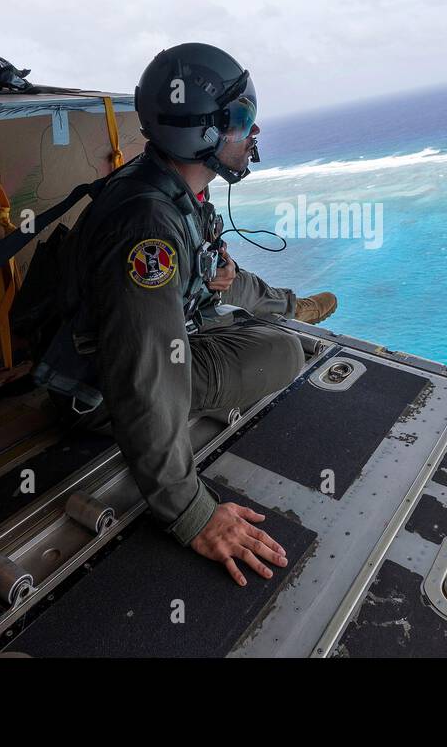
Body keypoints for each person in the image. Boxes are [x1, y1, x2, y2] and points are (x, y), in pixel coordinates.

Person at [52, 43, 336, 586]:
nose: (254, 133)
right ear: (201, 133)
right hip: (97, 391)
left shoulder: (168, 185)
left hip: (149, 330)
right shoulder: (150, 229)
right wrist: (194, 515)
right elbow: (142, 376)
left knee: (261, 320)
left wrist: (202, 280)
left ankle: (291, 305)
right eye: (244, 119)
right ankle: (286, 317)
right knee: (281, 352)